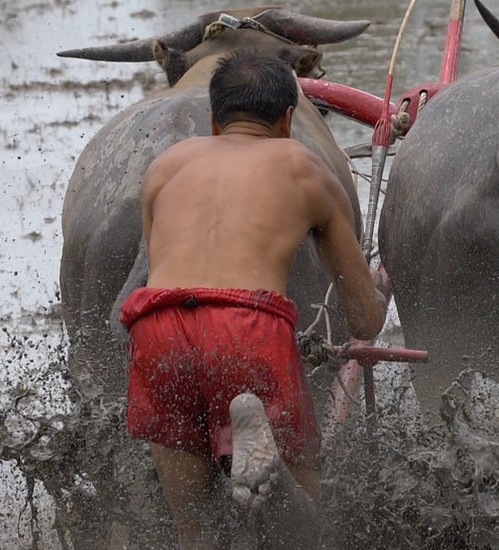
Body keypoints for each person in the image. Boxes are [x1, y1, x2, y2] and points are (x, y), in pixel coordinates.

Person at [118, 51, 390, 548]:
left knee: (194, 533)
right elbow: (365, 320)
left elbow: (164, 272)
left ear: (216, 120)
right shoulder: (303, 169)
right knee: (302, 537)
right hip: (246, 330)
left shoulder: (165, 167)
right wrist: (380, 289)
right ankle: (267, 460)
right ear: (288, 119)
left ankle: (242, 448)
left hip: (158, 327)